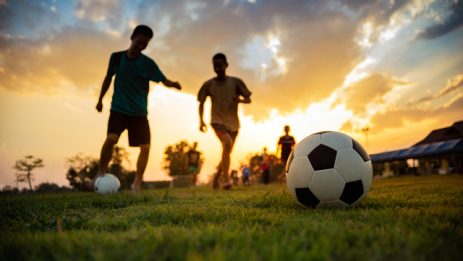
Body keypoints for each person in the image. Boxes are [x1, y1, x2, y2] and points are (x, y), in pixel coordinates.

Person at [95, 25, 182, 192]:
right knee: (111, 139)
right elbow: (108, 78)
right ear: (132, 37)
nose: (140, 46)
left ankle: (137, 182)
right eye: (139, 42)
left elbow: (164, 80)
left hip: (139, 113)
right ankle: (100, 173)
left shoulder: (148, 64)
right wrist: (100, 100)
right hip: (118, 109)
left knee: (146, 147)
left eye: (145, 44)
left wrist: (174, 84)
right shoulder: (116, 57)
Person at [198, 53, 252, 190]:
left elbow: (248, 99)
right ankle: (226, 179)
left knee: (226, 152)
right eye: (215, 66)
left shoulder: (236, 82)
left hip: (234, 124)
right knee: (227, 143)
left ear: (226, 65)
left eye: (220, 66)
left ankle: (217, 177)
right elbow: (201, 103)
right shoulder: (208, 84)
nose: (218, 69)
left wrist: (239, 100)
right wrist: (201, 121)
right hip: (217, 121)